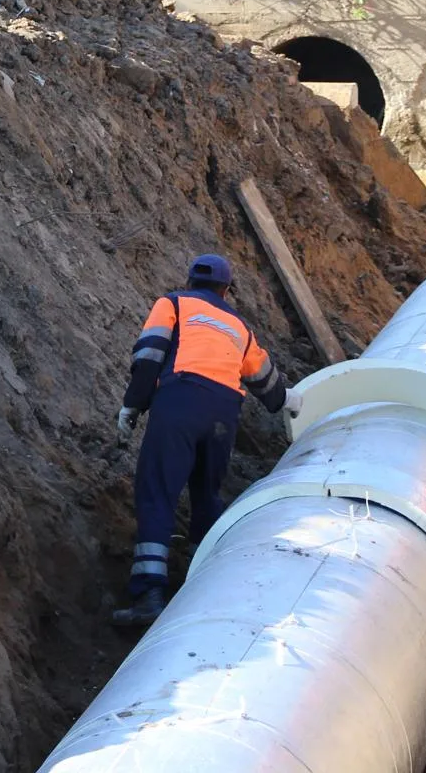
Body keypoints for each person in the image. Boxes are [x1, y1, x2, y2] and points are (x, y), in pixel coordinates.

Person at [112, 254, 293, 628]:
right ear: (227, 290)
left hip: (180, 401)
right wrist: (292, 400)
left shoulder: (173, 304)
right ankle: (200, 591)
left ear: (190, 280)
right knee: (207, 496)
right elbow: (268, 387)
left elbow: (149, 357)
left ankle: (149, 596)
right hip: (224, 415)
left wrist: (132, 405)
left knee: (158, 491)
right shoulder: (239, 327)